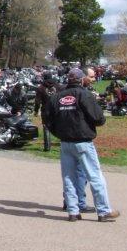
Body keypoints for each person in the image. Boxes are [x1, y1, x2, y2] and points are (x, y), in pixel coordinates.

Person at [44, 68, 119, 222]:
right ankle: (103, 210)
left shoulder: (57, 97)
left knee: (68, 177)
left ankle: (73, 210)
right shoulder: (84, 94)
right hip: (83, 141)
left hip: (65, 143)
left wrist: (58, 132)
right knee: (95, 176)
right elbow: (98, 118)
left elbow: (47, 119)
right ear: (81, 79)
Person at [35, 73, 61, 153]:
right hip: (57, 109)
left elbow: (37, 101)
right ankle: (63, 145)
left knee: (46, 128)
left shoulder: (41, 88)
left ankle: (47, 147)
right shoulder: (57, 86)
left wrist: (36, 111)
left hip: (46, 110)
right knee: (60, 127)